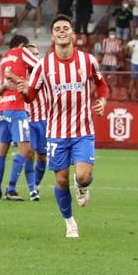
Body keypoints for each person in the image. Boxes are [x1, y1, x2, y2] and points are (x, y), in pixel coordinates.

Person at [21, 15, 110, 240]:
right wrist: (24, 90)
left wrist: (102, 100)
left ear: (73, 34)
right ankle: (70, 222)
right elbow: (31, 96)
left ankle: (81, 186)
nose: (62, 31)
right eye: (57, 28)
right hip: (57, 132)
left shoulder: (87, 61)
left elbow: (101, 84)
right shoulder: (44, 65)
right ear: (52, 36)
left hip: (82, 130)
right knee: (60, 180)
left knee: (84, 176)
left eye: (66, 28)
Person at [0, 32, 41, 201]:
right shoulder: (22, 53)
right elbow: (40, 67)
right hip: (17, 108)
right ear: (22, 45)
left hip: (3, 107)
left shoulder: (4, 57)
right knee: (25, 149)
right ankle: (11, 189)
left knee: (2, 149)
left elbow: (4, 85)